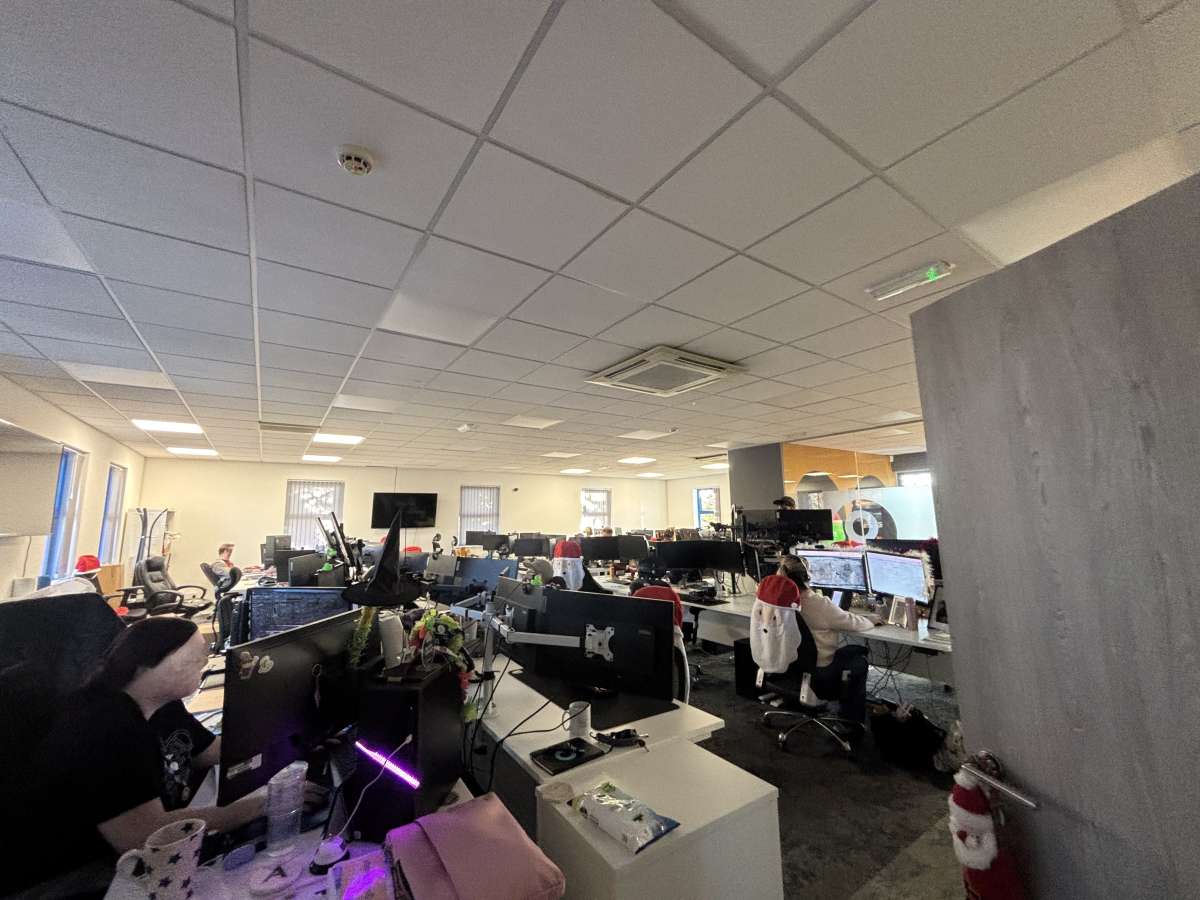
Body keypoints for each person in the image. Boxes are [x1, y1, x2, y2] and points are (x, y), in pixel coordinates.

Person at [21, 618, 318, 891]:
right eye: (193, 657)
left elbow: (209, 752)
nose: (204, 662)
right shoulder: (103, 727)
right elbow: (143, 835)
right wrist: (267, 803)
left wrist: (298, 735)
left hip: (157, 839)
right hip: (94, 871)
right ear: (145, 664)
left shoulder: (160, 703)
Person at [777, 554, 880, 732]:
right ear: (807, 576)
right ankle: (850, 724)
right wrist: (871, 619)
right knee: (859, 660)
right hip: (821, 673)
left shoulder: (777, 601)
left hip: (790, 667)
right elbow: (853, 623)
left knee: (849, 652)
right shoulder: (818, 603)